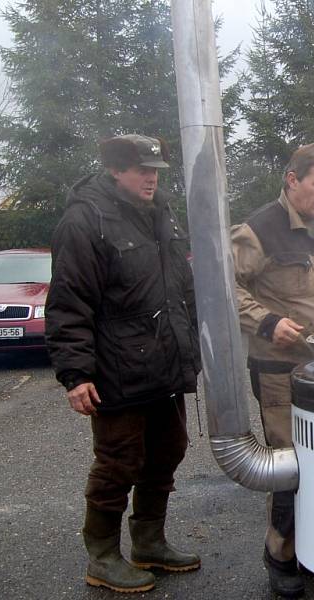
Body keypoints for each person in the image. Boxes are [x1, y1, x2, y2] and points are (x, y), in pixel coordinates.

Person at [45, 134, 202, 593]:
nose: (151, 177)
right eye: (142, 169)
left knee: (167, 452)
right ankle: (103, 556)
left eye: (156, 170)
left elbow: (182, 288)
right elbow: (69, 302)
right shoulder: (85, 220)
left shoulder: (162, 216)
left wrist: (192, 343)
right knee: (118, 463)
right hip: (117, 371)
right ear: (116, 170)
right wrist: (76, 374)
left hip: (165, 365)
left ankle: (149, 543)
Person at [231, 142, 314, 597]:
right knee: (290, 465)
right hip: (277, 368)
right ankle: (280, 554)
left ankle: (312, 549)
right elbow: (225, 285)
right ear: (292, 180)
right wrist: (266, 321)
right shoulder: (260, 229)